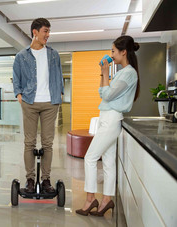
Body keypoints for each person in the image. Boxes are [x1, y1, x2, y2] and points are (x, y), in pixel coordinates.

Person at [76, 35, 140, 216]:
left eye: (113, 51)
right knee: (108, 162)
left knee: (90, 158)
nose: (111, 54)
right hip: (107, 117)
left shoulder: (128, 73)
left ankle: (90, 199)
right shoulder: (122, 72)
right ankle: (106, 200)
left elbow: (107, 95)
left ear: (123, 52)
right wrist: (103, 74)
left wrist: (105, 73)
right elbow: (103, 92)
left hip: (111, 118)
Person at [13, 18, 64, 193]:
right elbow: (16, 78)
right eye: (45, 31)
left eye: (49, 31)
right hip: (30, 101)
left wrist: (60, 93)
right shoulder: (21, 56)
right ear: (35, 32)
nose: (48, 35)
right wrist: (19, 95)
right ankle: (29, 179)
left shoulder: (53, 54)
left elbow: (59, 75)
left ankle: (46, 180)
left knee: (48, 143)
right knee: (29, 142)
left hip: (50, 103)